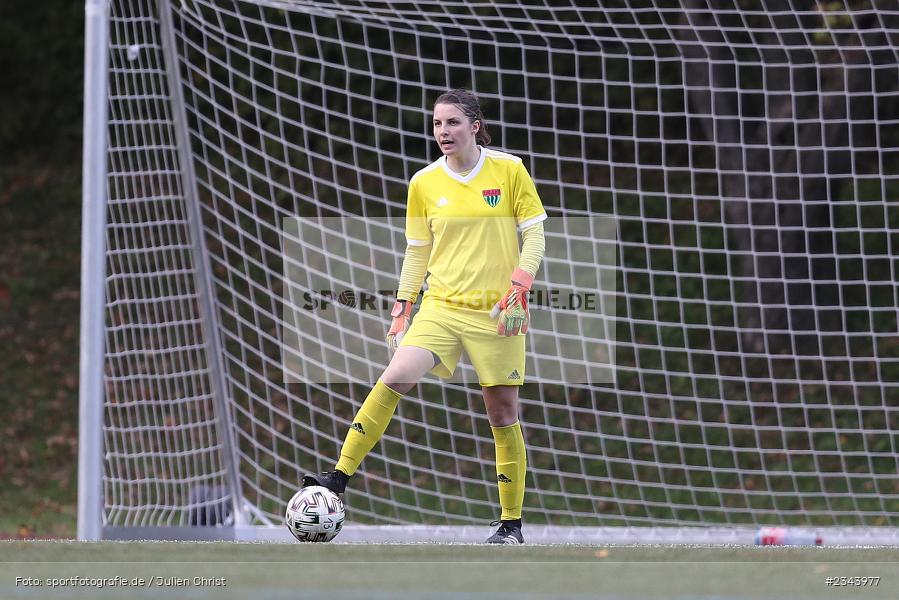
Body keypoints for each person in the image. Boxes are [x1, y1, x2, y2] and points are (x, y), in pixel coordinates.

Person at [303, 89, 546, 544]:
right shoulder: (424, 182)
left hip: (497, 312)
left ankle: (510, 523)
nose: (443, 132)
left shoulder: (509, 170)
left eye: (452, 123)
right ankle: (338, 476)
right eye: (437, 124)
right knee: (395, 376)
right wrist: (402, 306)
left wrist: (519, 284)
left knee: (502, 412)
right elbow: (418, 250)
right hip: (442, 307)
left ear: (475, 126)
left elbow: (535, 234)